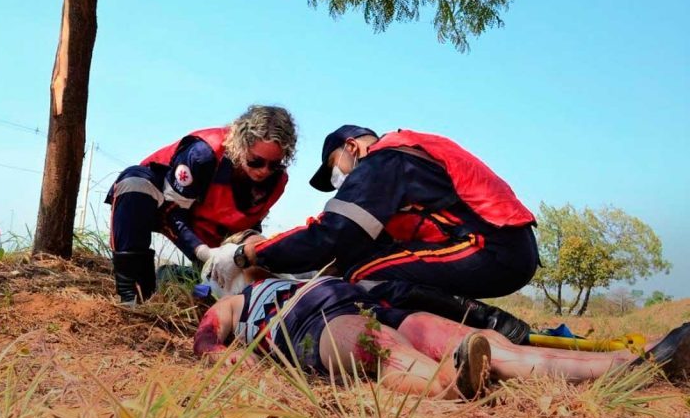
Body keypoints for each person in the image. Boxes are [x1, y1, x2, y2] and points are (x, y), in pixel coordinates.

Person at [208, 125, 539, 343]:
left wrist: (247, 253)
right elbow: (355, 251)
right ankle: (466, 328)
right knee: (369, 271)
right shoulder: (402, 166)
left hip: (488, 246)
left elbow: (328, 237)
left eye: (333, 168)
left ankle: (492, 325)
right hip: (503, 247)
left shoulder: (383, 163)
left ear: (351, 147)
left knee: (364, 277)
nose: (337, 180)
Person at [194, 269, 690, 398]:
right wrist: (229, 358)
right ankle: (450, 385)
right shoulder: (238, 298)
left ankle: (631, 370)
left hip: (366, 304)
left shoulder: (303, 269)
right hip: (309, 327)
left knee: (482, 343)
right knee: (371, 344)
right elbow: (208, 339)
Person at [105, 105, 297, 304]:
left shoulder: (277, 182)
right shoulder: (203, 153)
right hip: (166, 204)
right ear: (241, 146)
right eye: (256, 161)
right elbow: (170, 212)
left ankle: (179, 275)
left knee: (246, 260)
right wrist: (202, 252)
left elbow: (248, 228)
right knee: (134, 185)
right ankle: (133, 294)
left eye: (274, 165)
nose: (264, 171)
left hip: (209, 225)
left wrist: (237, 256)